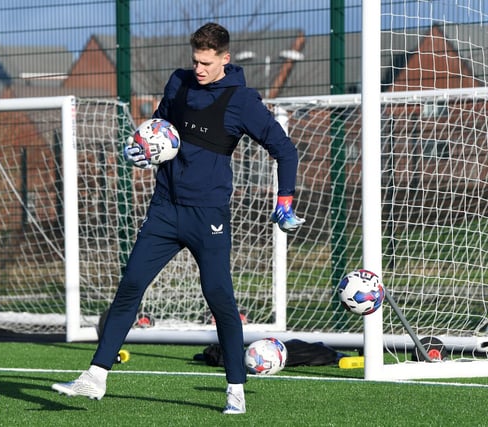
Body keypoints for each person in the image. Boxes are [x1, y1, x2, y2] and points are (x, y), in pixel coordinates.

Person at [52, 22, 304, 415]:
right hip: (165, 209)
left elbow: (285, 151)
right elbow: (157, 131)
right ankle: (95, 377)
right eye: (195, 61)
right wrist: (139, 150)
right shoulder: (178, 84)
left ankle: (235, 388)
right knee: (131, 285)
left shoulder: (242, 101)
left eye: (206, 62)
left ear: (225, 58)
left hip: (209, 217)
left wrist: (285, 201)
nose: (199, 69)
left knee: (220, 297)